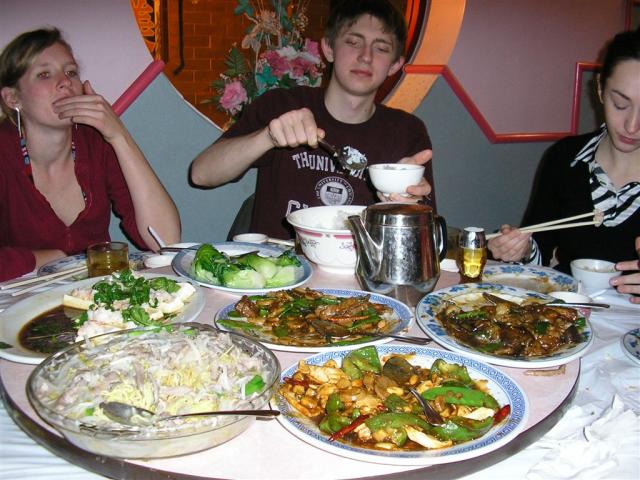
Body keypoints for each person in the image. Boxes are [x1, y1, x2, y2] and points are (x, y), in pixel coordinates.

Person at [190, 0, 434, 239]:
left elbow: (424, 238)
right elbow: (201, 174)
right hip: (278, 272)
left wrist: (408, 204)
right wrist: (268, 136)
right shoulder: (282, 105)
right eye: (353, 42)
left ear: (395, 64)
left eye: (381, 48)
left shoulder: (407, 131)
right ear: (328, 48)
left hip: (360, 274)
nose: (366, 57)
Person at [0, 27, 181, 281]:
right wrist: (45, 258)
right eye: (44, 74)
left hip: (97, 301)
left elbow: (165, 239)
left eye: (71, 72)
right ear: (12, 98)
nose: (65, 81)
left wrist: (118, 135)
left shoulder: (95, 143)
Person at [488, 29, 640, 301]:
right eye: (620, 104)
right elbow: (540, 252)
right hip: (566, 319)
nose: (632, 125)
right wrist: (521, 251)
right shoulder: (566, 157)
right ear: (600, 90)